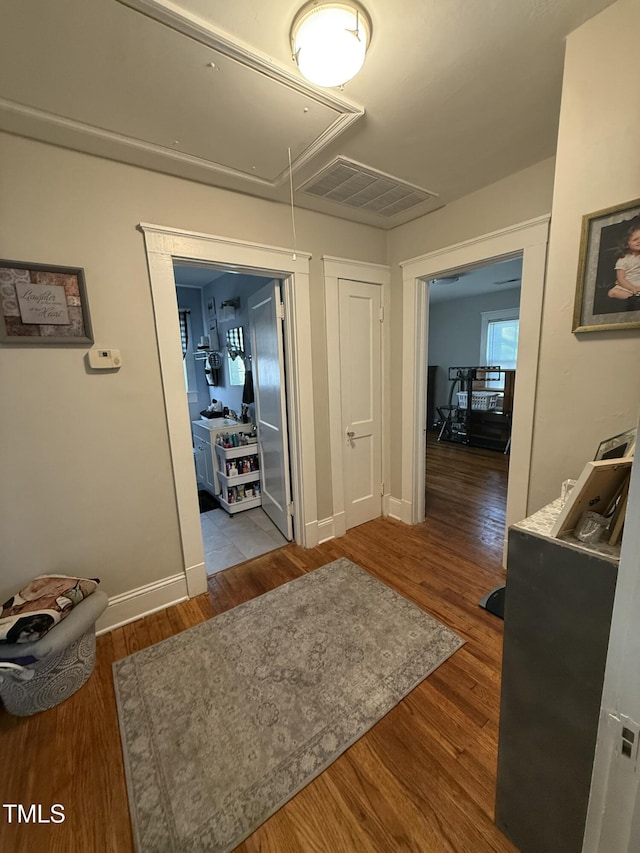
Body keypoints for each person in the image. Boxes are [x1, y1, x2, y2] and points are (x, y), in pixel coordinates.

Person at [607, 221, 640, 300]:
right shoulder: (623, 260)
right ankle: (632, 298)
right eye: (635, 239)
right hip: (626, 285)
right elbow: (621, 279)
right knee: (612, 293)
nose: (639, 241)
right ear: (628, 243)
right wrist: (633, 288)